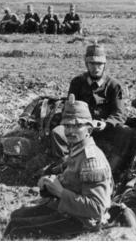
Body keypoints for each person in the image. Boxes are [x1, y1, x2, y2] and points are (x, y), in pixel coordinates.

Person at [4, 96, 112, 239]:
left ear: (89, 129)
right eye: (67, 126)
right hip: (68, 210)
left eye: (77, 125)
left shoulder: (91, 160)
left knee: (16, 228)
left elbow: (97, 209)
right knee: (16, 215)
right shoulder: (77, 149)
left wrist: (60, 192)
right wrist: (49, 181)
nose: (70, 131)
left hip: (82, 221)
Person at [48, 44, 129, 172]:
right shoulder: (77, 82)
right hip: (80, 127)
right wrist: (77, 124)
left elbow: (119, 113)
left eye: (99, 64)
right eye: (92, 63)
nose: (96, 68)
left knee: (125, 132)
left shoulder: (114, 85)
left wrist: (105, 123)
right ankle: (65, 168)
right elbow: (69, 109)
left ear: (104, 64)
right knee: (58, 133)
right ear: (86, 64)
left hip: (103, 128)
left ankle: (112, 170)